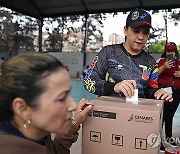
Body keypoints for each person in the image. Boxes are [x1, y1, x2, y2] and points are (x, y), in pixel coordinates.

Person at [84, 8, 173, 151]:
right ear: (125, 30)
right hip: (107, 120)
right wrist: (114, 87)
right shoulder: (108, 53)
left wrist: (157, 93)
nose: (141, 37)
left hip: (137, 122)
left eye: (145, 33)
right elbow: (88, 82)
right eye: (136, 31)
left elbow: (151, 88)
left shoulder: (150, 62)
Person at [0, 53, 93, 154]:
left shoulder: (36, 132)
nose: (73, 106)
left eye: (69, 94)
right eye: (61, 98)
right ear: (22, 108)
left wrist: (75, 122)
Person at [156, 42, 180, 148]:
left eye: (172, 51)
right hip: (164, 91)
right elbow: (154, 75)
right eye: (168, 51)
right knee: (161, 117)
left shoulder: (179, 62)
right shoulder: (160, 61)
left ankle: (169, 138)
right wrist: (164, 67)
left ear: (176, 52)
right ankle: (158, 141)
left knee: (170, 116)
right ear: (165, 52)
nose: (171, 53)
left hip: (176, 92)